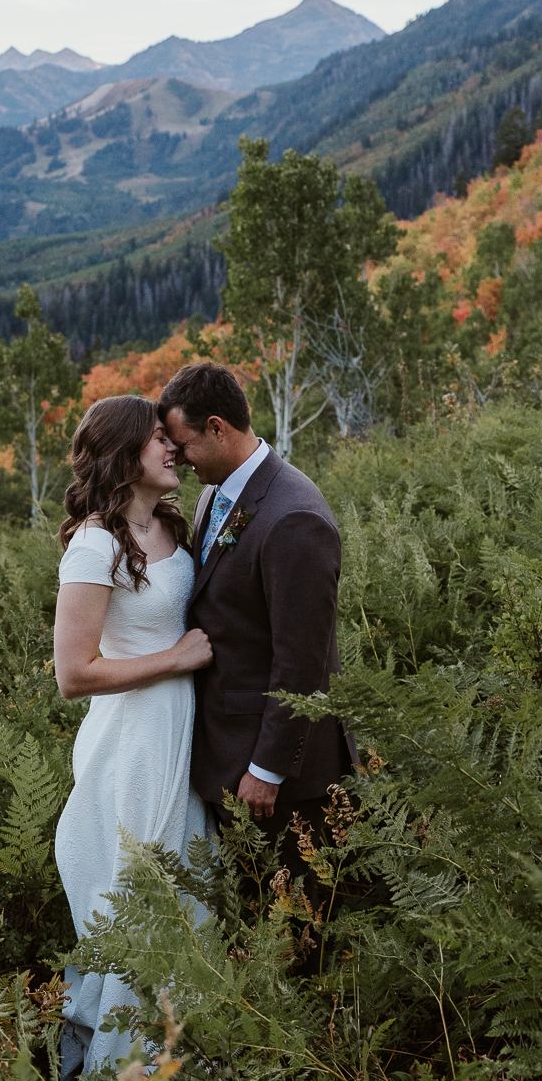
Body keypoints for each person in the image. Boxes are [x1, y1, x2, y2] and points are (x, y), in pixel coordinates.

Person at [52, 394, 213, 1081]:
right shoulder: (94, 543)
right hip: (132, 744)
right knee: (143, 900)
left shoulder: (174, 525)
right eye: (157, 440)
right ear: (124, 453)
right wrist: (175, 660)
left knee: (189, 896)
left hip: (180, 736)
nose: (172, 448)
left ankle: (178, 1071)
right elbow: (74, 673)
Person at [156, 361, 352, 877]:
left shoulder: (294, 518)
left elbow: (301, 664)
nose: (179, 460)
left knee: (298, 933)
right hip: (227, 756)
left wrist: (266, 770)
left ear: (217, 428)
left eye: (185, 446)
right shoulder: (214, 496)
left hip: (280, 779)